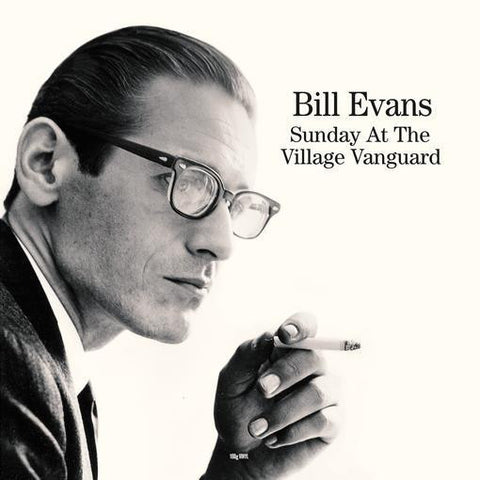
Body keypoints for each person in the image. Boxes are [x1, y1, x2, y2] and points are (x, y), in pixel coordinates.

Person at [0, 26, 338, 479]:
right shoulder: (11, 361)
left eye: (234, 204)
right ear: (44, 163)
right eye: (187, 180)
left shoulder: (41, 359)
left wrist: (237, 473)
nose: (221, 244)